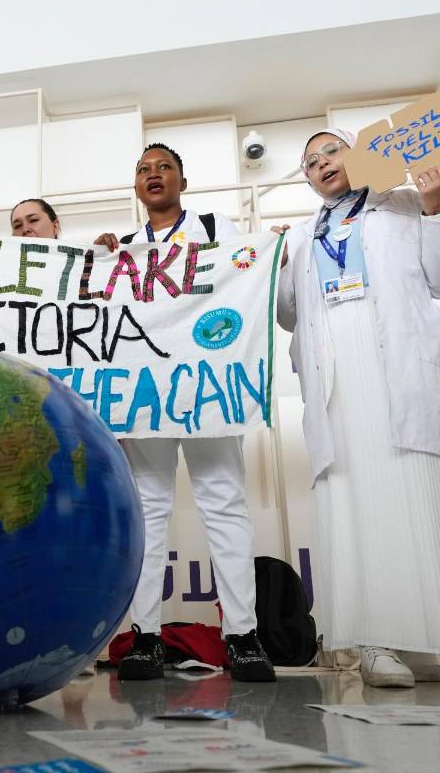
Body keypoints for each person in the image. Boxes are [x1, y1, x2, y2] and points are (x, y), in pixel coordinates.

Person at [277, 128, 440, 687]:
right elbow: (288, 315)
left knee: (418, 501)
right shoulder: (300, 235)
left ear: (360, 153)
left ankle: (421, 638)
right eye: (310, 161)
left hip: (401, 374)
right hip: (338, 383)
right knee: (356, 503)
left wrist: (438, 207)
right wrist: (275, 266)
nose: (322, 163)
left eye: (332, 150)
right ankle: (373, 639)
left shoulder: (406, 205)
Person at [95, 143, 276, 683]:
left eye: (164, 167)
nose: (153, 175)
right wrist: (97, 261)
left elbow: (247, 276)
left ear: (183, 180)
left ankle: (242, 635)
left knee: (224, 505)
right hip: (146, 394)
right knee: (148, 512)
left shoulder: (217, 230)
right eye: (143, 170)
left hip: (206, 388)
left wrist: (271, 253)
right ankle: (145, 636)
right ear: (135, 186)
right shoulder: (125, 251)